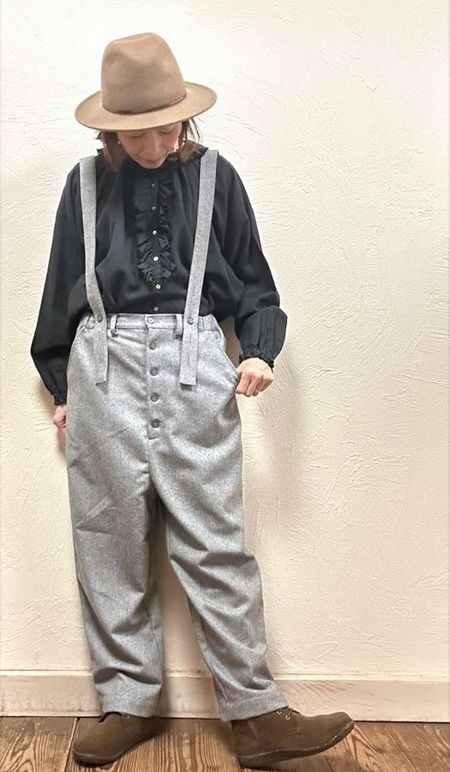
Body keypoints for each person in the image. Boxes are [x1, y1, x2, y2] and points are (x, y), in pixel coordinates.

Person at [30, 32, 354, 768]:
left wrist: (260, 349)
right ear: (110, 131)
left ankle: (257, 715)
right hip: (101, 364)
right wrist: (61, 386)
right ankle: (127, 701)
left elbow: (255, 282)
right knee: (107, 540)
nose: (156, 143)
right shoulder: (83, 185)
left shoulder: (216, 178)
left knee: (214, 544)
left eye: (169, 127)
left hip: (196, 360)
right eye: (138, 132)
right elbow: (59, 290)